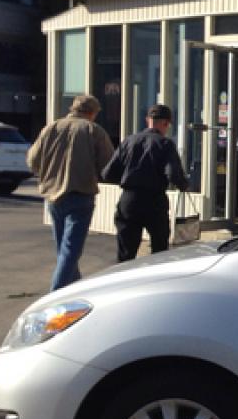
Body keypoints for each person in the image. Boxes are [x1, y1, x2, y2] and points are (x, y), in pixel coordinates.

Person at [27, 94, 115, 292]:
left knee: (64, 251)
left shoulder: (51, 128)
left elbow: (32, 160)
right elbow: (109, 165)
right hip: (81, 195)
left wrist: (48, 173)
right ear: (92, 113)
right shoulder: (93, 130)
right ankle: (55, 294)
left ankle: (74, 289)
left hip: (53, 196)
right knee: (70, 252)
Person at [102, 103, 189, 262]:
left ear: (147, 120)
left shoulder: (129, 141)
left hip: (129, 200)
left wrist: (127, 180)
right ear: (166, 123)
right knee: (159, 250)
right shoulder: (165, 144)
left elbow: (107, 173)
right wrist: (184, 184)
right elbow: (173, 174)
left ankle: (124, 276)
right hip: (154, 200)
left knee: (126, 253)